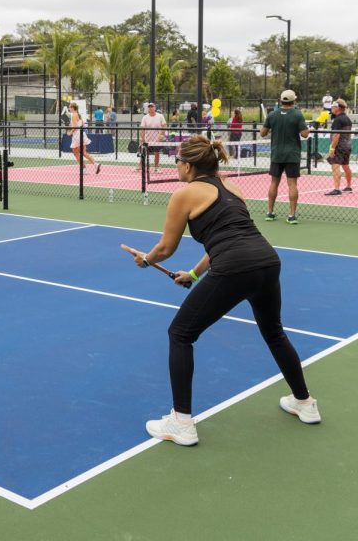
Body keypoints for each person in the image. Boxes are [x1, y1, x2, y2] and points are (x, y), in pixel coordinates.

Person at [124, 135, 321, 446]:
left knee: (180, 334)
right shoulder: (231, 187)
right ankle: (305, 403)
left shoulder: (184, 194)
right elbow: (226, 237)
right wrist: (192, 274)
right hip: (267, 262)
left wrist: (146, 260)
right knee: (274, 332)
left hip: (235, 267)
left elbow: (164, 248)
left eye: (178, 160)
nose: (176, 165)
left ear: (187, 165)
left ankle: (182, 423)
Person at [260, 89, 311, 224]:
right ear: (294, 100)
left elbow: (262, 133)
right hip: (292, 155)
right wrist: (308, 128)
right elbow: (305, 134)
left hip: (276, 153)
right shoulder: (297, 114)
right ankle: (291, 215)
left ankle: (270, 213)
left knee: (274, 182)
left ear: (281, 100)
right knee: (292, 184)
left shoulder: (272, 114)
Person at [324, 99, 353, 196]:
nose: (332, 108)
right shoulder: (347, 119)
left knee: (335, 166)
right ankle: (348, 186)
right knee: (346, 166)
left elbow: (336, 135)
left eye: (333, 106)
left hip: (339, 146)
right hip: (347, 144)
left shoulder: (337, 120)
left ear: (337, 108)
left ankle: (337, 189)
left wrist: (332, 148)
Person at [67, 102, 100, 173]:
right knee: (83, 152)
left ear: (73, 108)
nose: (69, 108)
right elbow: (81, 124)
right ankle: (95, 164)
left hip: (77, 135)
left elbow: (75, 126)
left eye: (69, 107)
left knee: (76, 153)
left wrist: (70, 132)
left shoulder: (74, 115)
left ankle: (84, 168)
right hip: (81, 134)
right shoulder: (78, 115)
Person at [139, 102, 166, 172]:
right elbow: (142, 129)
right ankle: (140, 166)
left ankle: (156, 167)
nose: (151, 108)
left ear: (155, 108)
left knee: (157, 153)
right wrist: (142, 138)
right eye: (149, 107)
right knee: (143, 153)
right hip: (148, 139)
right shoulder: (145, 117)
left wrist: (162, 134)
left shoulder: (160, 116)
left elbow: (164, 125)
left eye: (152, 107)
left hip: (157, 140)